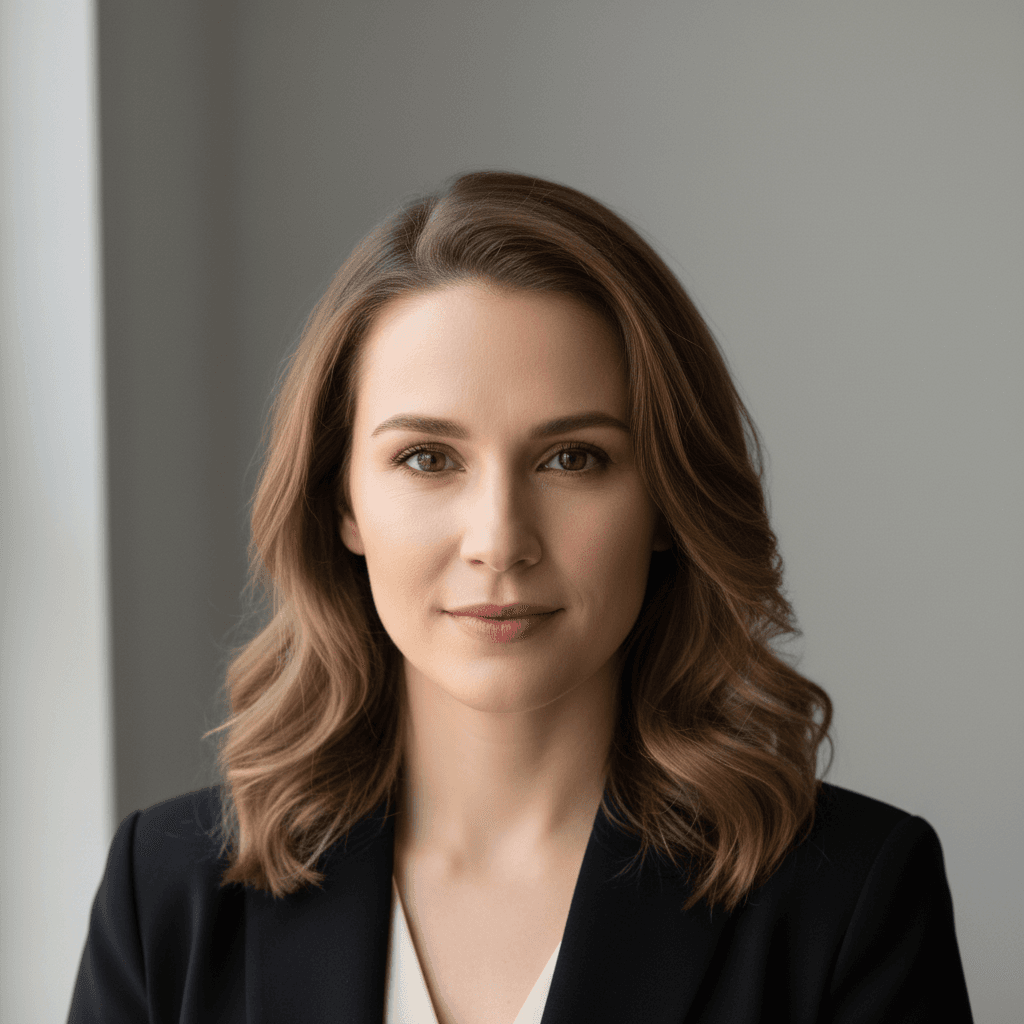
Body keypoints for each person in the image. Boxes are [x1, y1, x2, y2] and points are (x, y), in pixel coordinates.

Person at [67, 170, 973, 1023]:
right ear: (342, 500)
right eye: (427, 458)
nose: (499, 539)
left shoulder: (853, 898)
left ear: (664, 498)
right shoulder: (168, 895)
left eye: (572, 458)